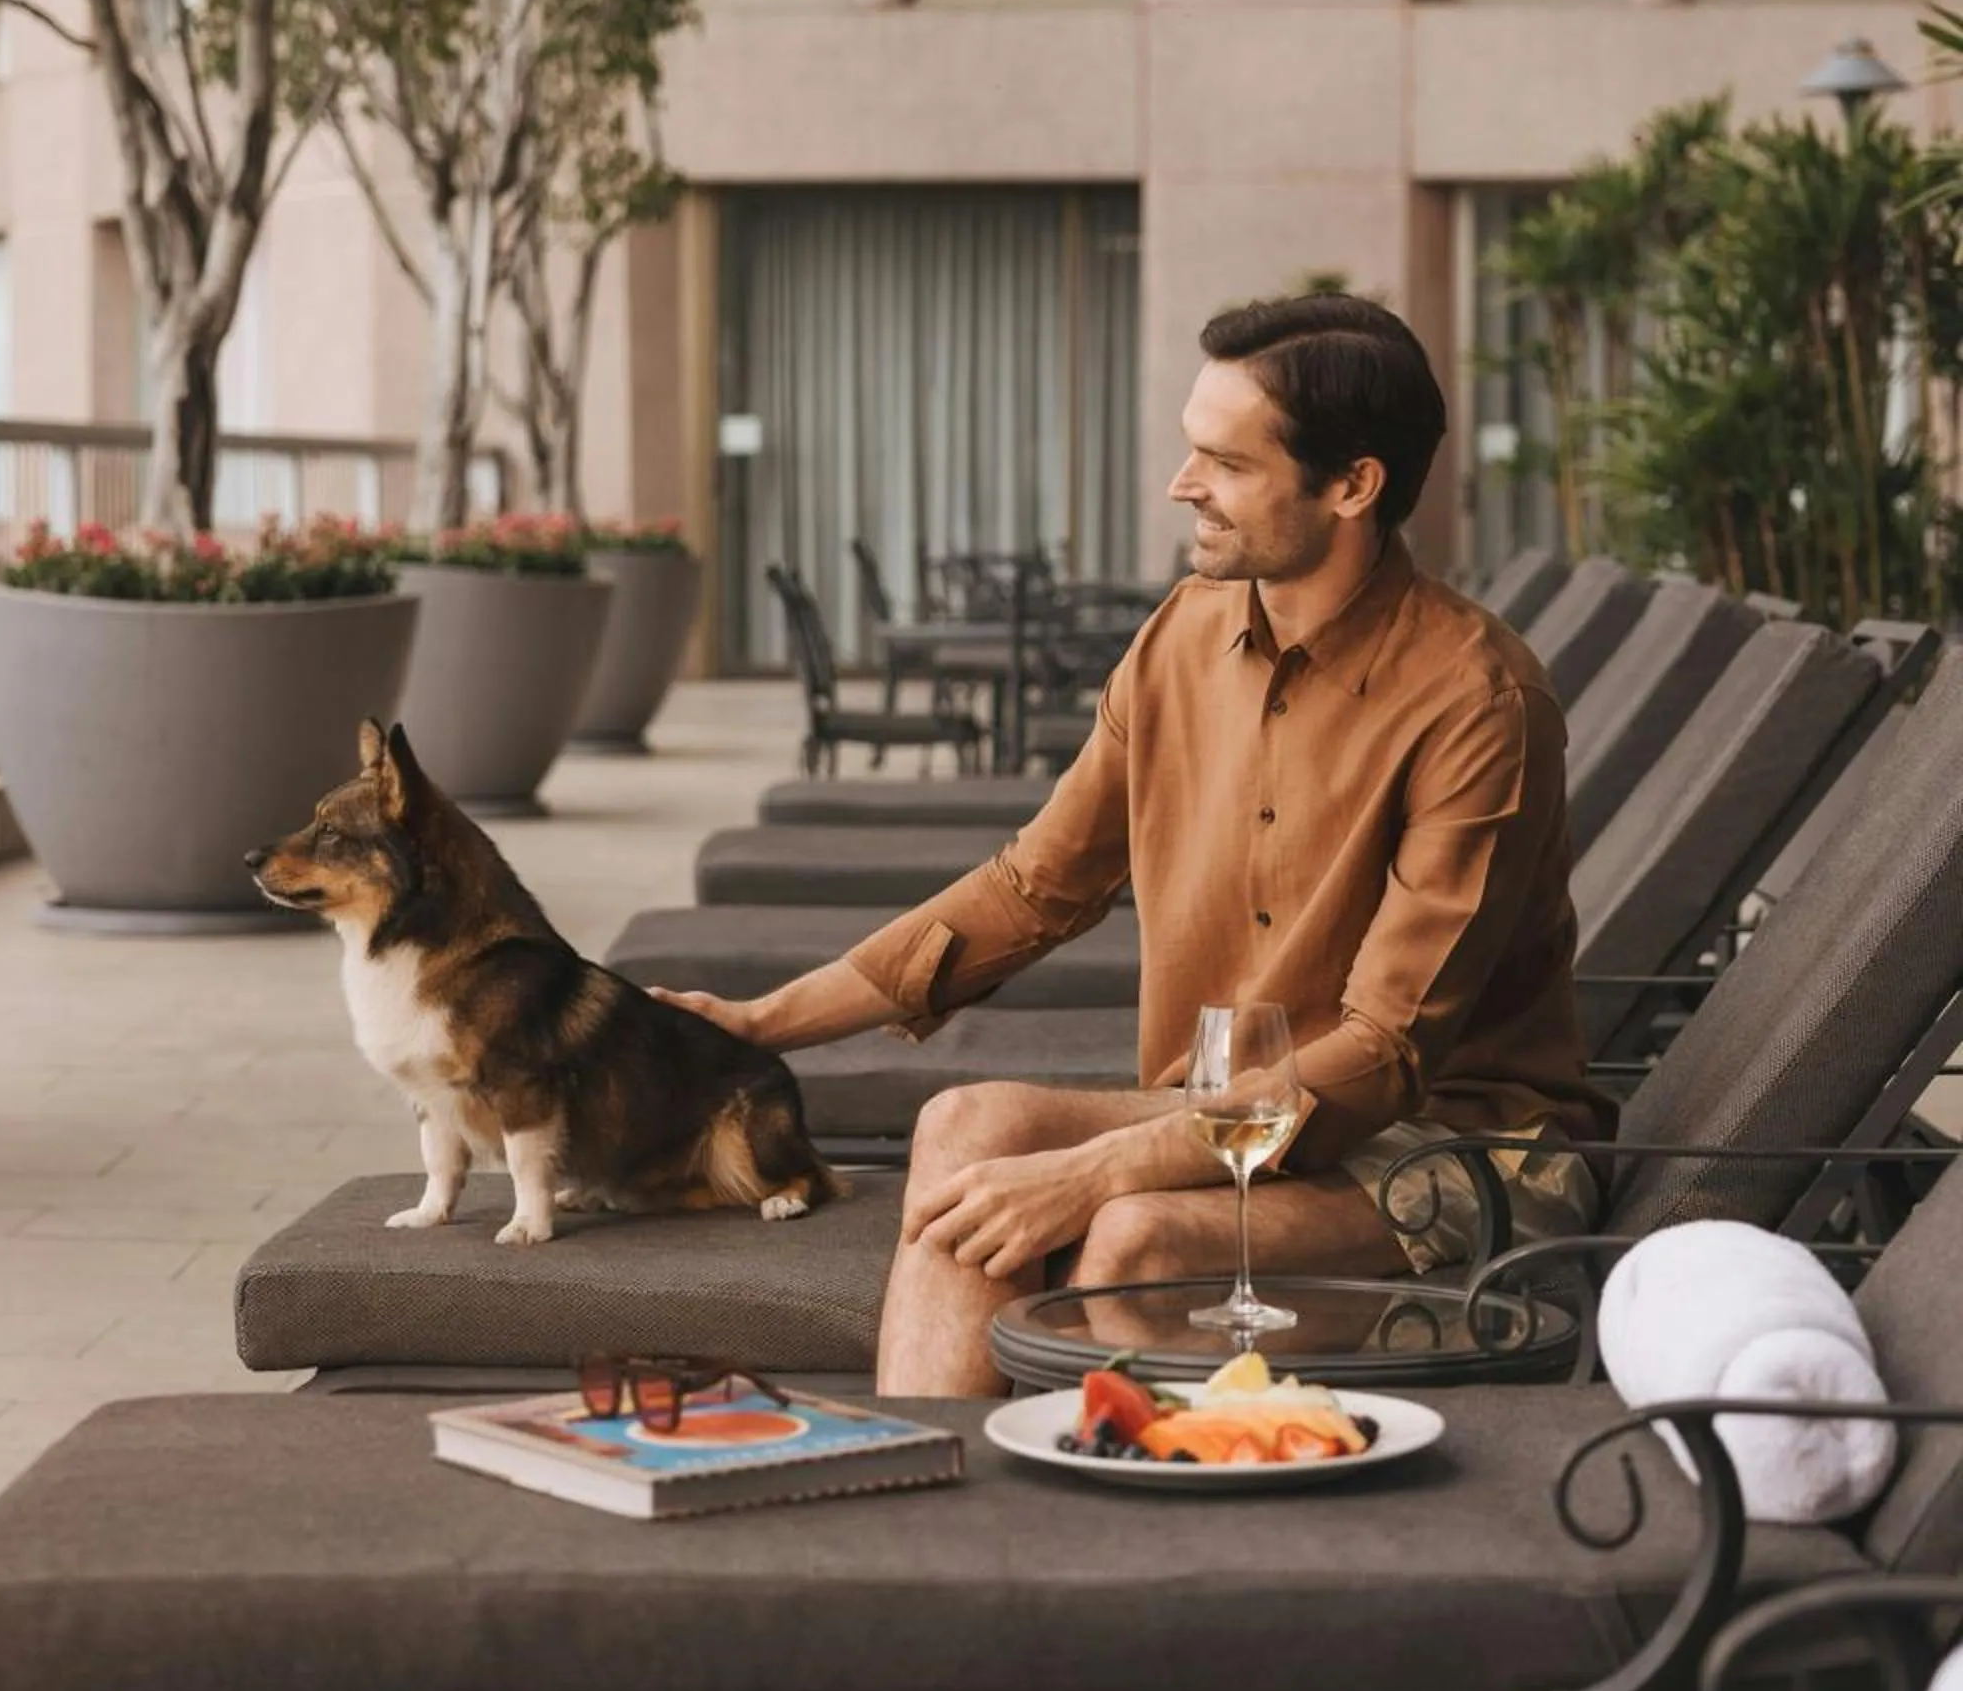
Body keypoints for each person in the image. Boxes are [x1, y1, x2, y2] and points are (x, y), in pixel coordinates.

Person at [662, 292, 1611, 1401]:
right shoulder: (1179, 638)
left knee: (1133, 1240)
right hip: (1228, 1114)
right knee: (965, 1122)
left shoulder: (1478, 703)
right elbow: (1031, 887)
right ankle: (925, 1513)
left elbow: (1383, 1054)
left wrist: (1097, 1167)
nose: (1181, 485)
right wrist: (757, 1024)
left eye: (1224, 461)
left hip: (1454, 1146)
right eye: (1186, 448)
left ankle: (1079, 1543)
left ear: (1351, 486)